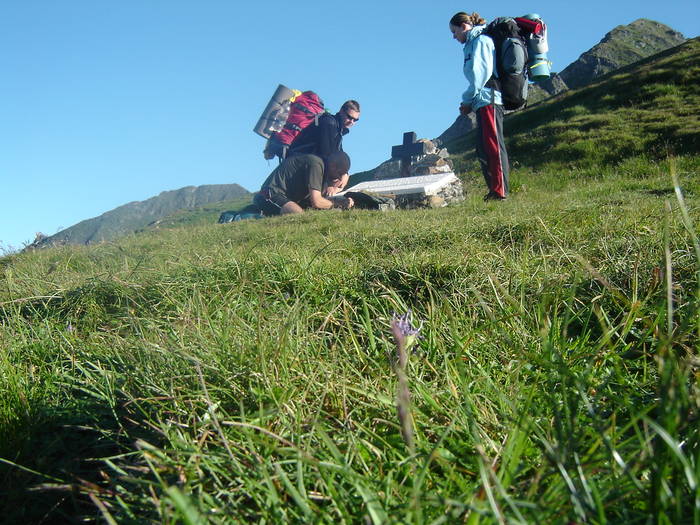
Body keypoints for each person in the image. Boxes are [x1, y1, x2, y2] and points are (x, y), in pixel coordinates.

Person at [449, 12, 509, 201]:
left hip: (489, 98)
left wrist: (466, 101)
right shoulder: (473, 43)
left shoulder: (481, 41)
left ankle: (500, 191)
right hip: (482, 101)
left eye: (454, 31)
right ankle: (494, 190)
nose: (454, 36)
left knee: (493, 146)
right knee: (483, 147)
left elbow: (479, 76)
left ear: (464, 26)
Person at [286, 100, 361, 196]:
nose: (352, 122)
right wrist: (329, 184)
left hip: (307, 165)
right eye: (349, 117)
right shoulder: (328, 123)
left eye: (355, 120)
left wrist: (345, 173)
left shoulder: (337, 130)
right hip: (300, 165)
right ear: (341, 111)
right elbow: (326, 154)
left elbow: (339, 158)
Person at [253, 151, 355, 216]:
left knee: (309, 213)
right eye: (340, 173)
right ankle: (245, 215)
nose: (340, 177)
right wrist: (338, 204)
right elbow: (317, 202)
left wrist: (340, 201)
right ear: (333, 165)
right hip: (269, 194)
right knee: (299, 216)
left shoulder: (323, 171)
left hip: (286, 198)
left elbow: (318, 200)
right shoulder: (316, 164)